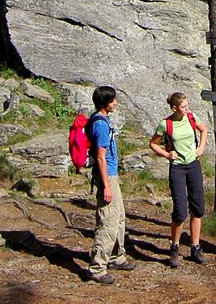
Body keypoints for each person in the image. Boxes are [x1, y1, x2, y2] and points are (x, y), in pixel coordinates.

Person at [148, 92, 209, 268]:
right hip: (177, 168)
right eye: (184, 107)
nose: (187, 109)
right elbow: (153, 143)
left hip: (193, 165)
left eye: (187, 106)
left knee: (198, 208)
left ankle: (195, 247)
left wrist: (201, 148)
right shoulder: (166, 124)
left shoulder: (191, 117)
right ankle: (174, 247)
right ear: (175, 108)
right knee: (180, 210)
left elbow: (203, 130)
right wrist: (167, 154)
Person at [86, 86, 134, 284]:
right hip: (107, 177)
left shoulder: (103, 121)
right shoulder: (101, 125)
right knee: (107, 221)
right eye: (113, 100)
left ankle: (116, 256)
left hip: (112, 175)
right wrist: (106, 185)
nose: (116, 103)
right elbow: (101, 157)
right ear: (105, 103)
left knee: (119, 217)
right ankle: (97, 268)